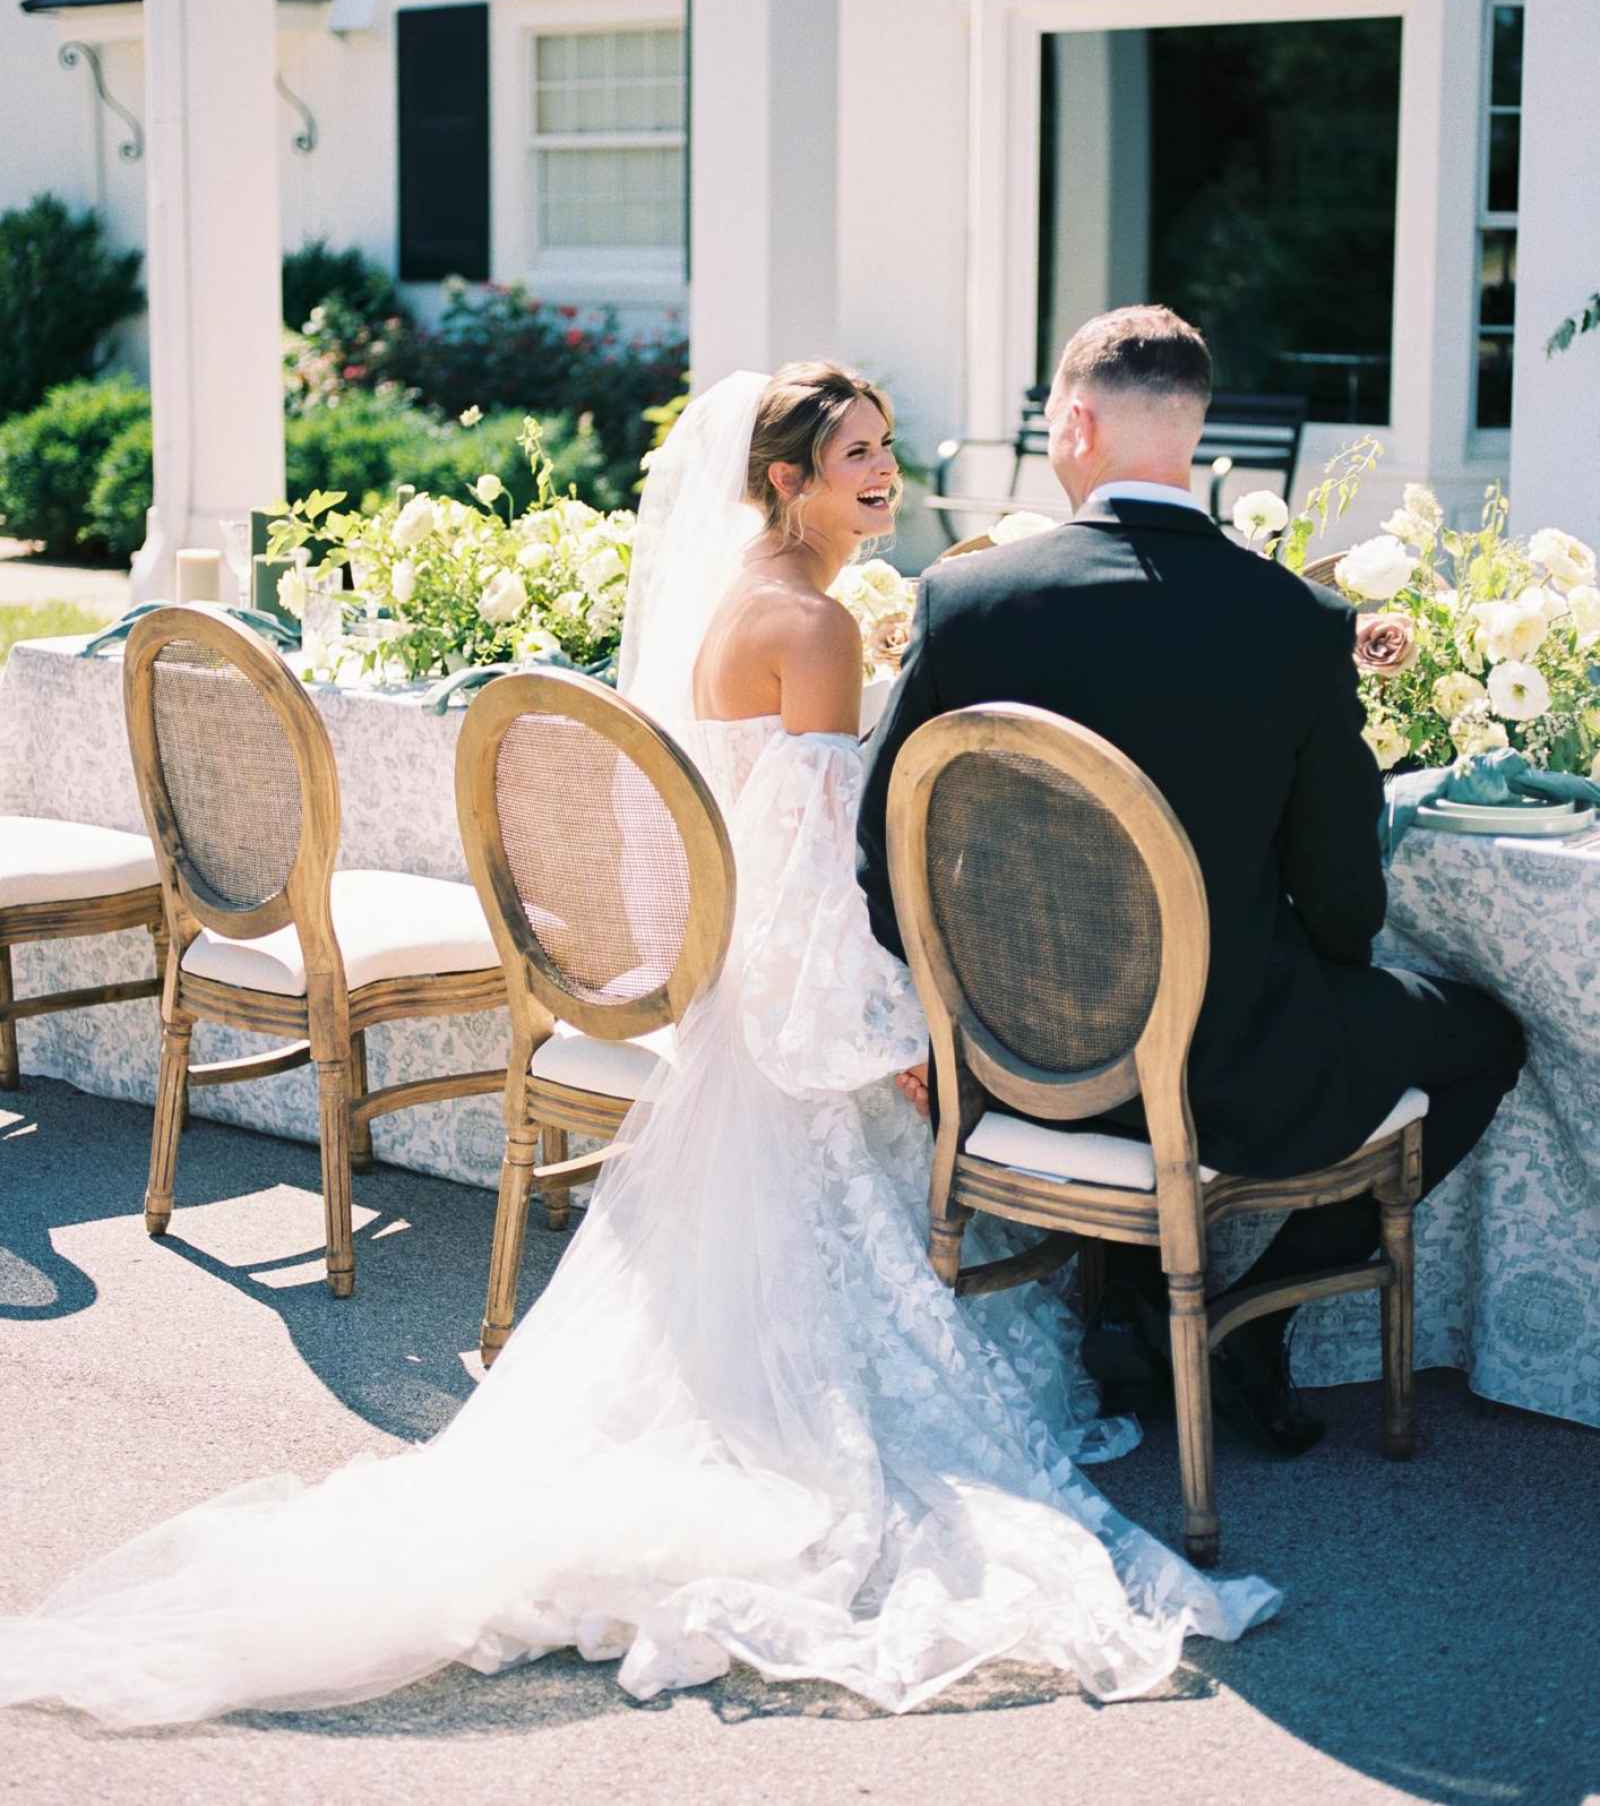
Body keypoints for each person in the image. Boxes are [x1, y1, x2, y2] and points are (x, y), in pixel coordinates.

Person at [0, 361, 1277, 1732]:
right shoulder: (815, 626)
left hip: (726, 989)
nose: (883, 473)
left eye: (885, 447)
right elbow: (815, 878)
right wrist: (883, 1034)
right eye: (854, 454)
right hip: (787, 998)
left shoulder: (748, 598)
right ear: (786, 479)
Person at [857, 307, 1526, 1455]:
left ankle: (1129, 1296)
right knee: (1485, 1034)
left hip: (1008, 1065)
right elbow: (1344, 902)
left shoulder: (969, 603)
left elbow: (880, 854)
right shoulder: (1295, 621)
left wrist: (949, 1018)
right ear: (1195, 431)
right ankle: (1244, 1323)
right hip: (1228, 1080)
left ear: (1075, 423)